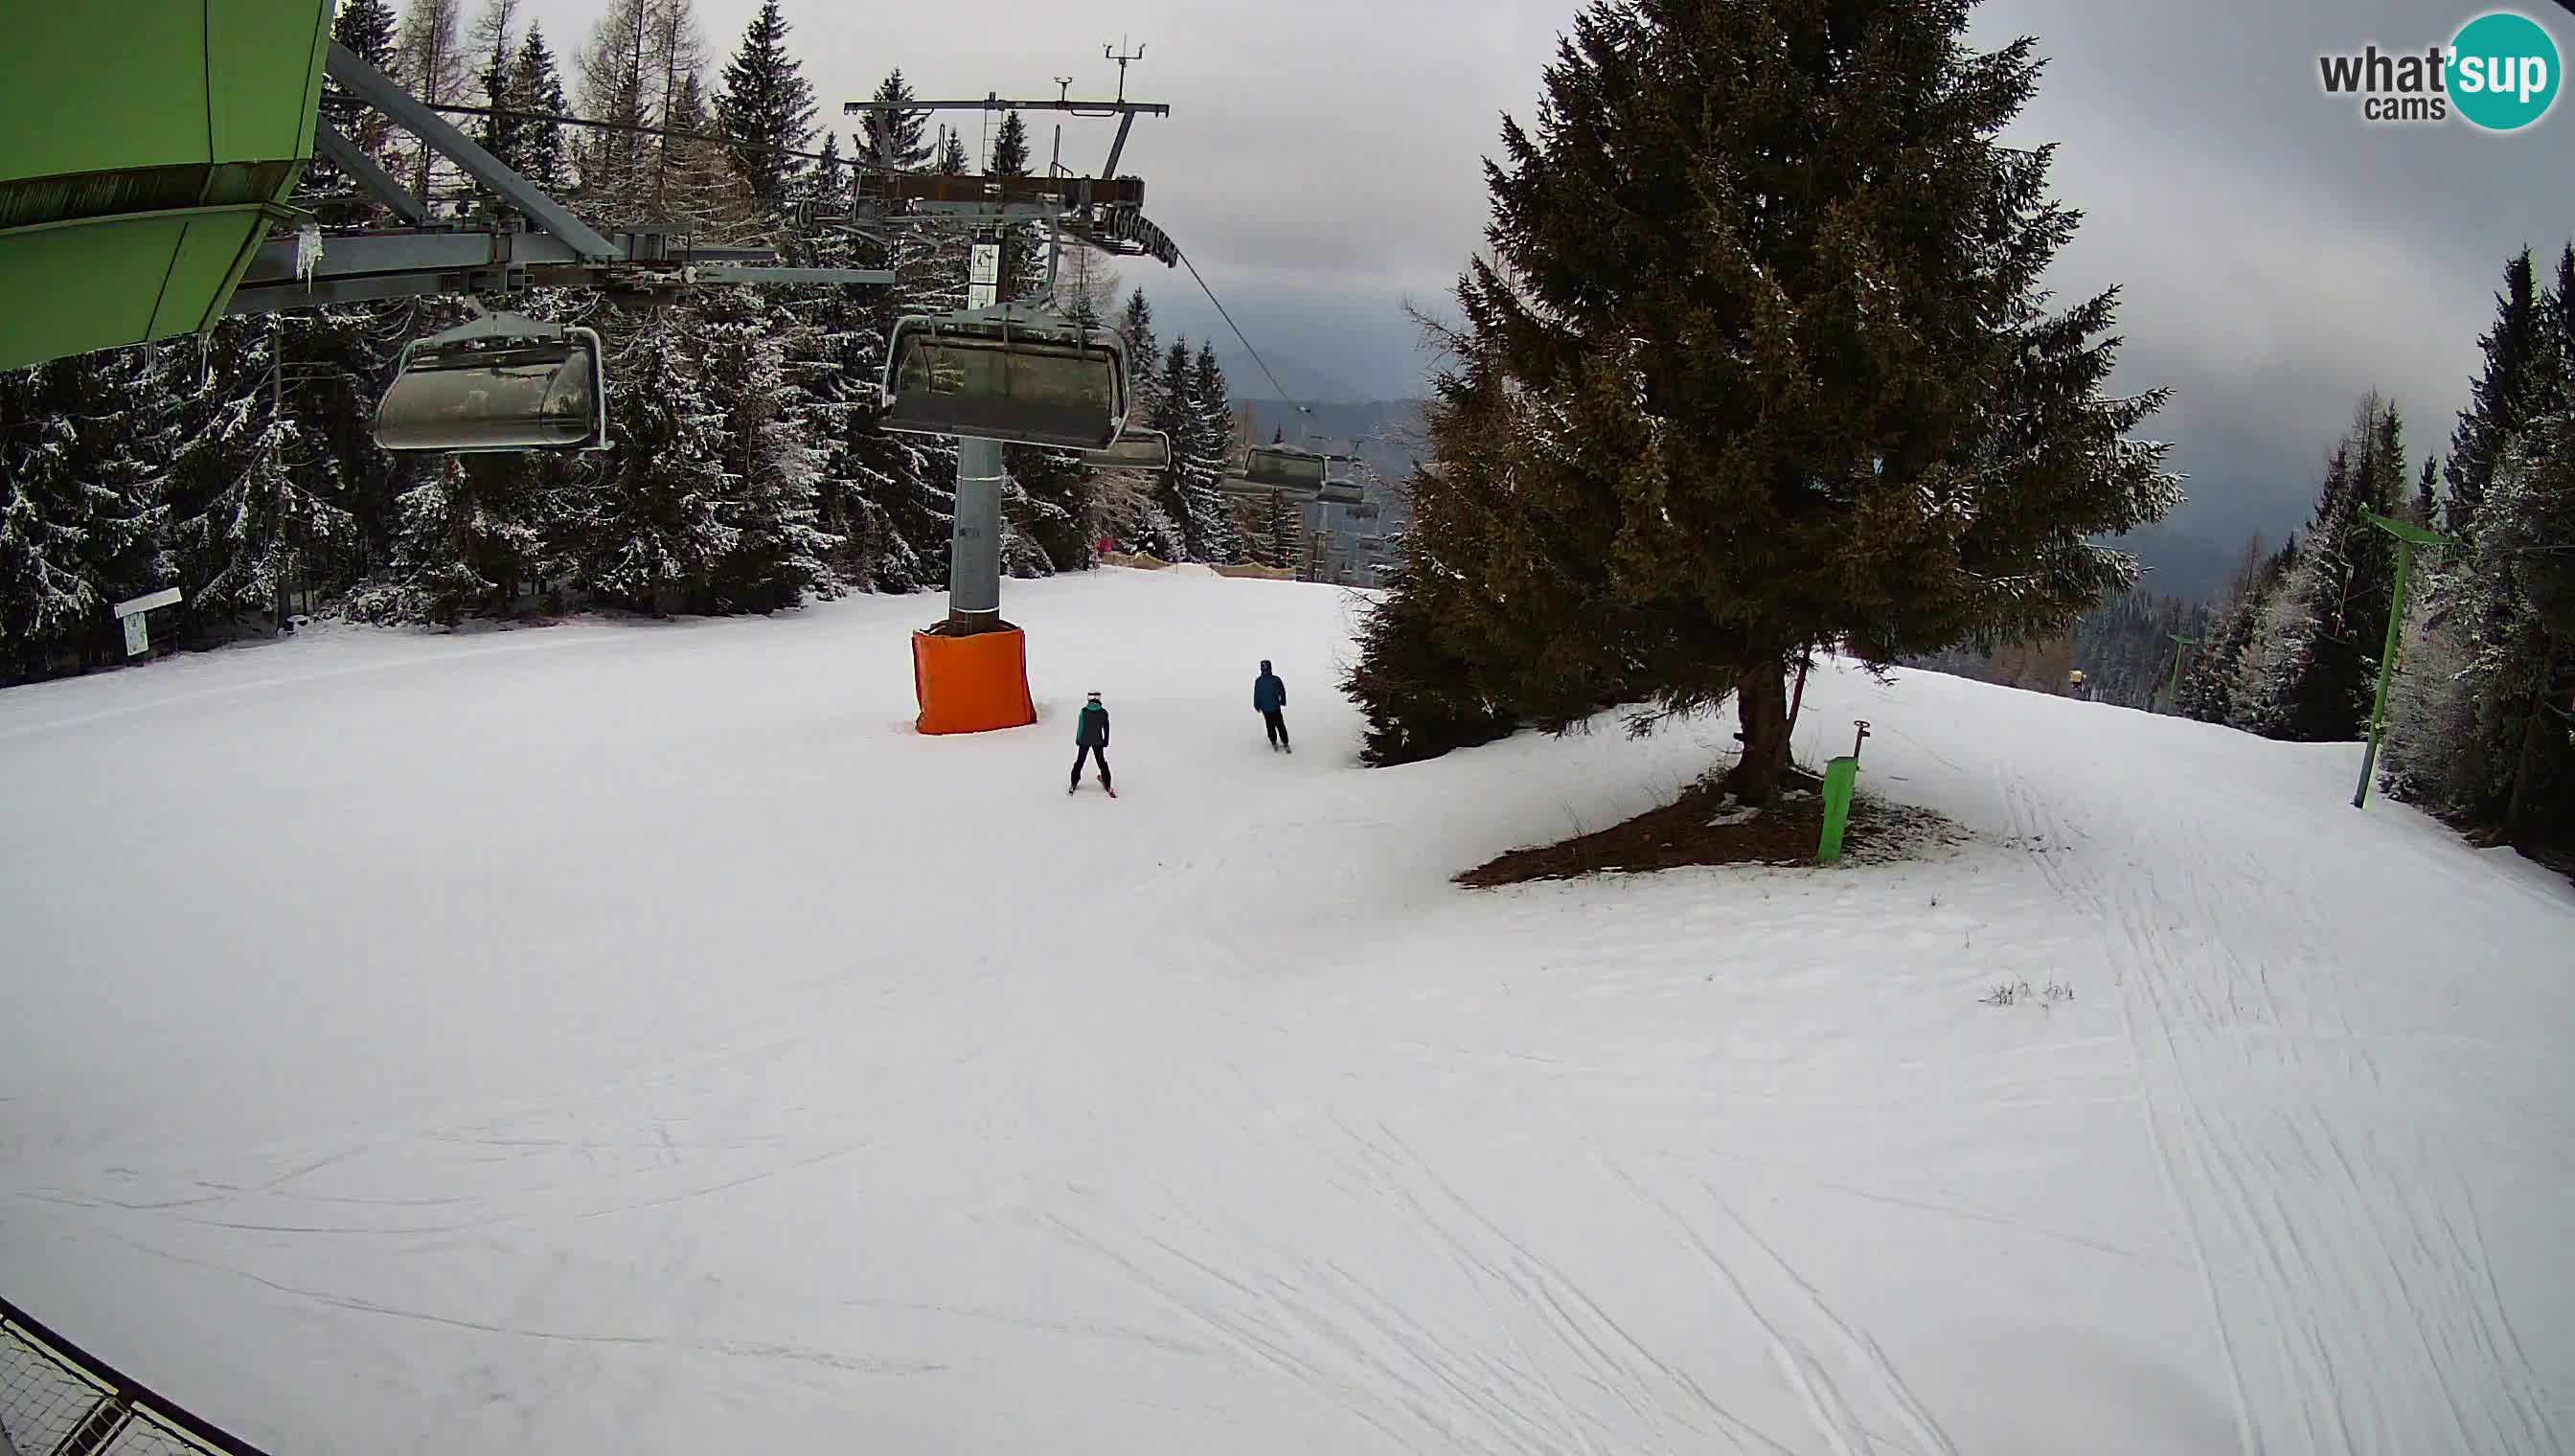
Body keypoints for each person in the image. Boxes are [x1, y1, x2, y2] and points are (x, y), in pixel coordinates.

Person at [1070, 691, 1114, 795]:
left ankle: (1074, 782)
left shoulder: (1084, 711)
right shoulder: (1103, 712)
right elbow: (1106, 728)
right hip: (1097, 741)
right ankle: (1107, 783)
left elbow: (1080, 727)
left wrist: (1078, 739)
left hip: (1084, 741)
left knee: (1080, 761)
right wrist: (1106, 740)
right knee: (1101, 762)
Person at [1253, 659, 1289, 753]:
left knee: (1270, 725)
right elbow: (1282, 692)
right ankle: (1284, 742)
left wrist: (1257, 705)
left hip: (1266, 709)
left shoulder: (1259, 681)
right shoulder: (1276, 679)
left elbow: (1257, 695)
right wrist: (1283, 701)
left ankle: (1274, 741)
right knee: (1280, 725)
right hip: (1275, 708)